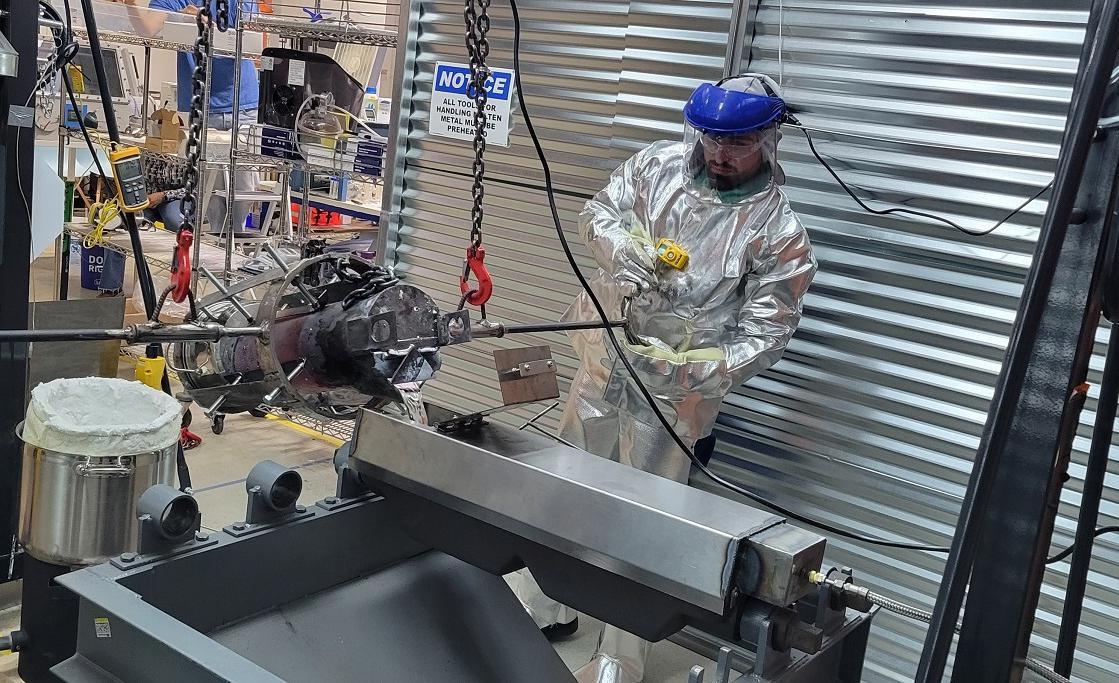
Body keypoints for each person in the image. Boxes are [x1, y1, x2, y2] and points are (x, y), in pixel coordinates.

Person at [507, 73, 817, 683]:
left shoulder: (778, 232)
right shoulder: (656, 168)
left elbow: (769, 330)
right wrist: (623, 249)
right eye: (711, 139)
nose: (720, 154)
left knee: (642, 517)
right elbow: (598, 212)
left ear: (768, 140)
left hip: (679, 395)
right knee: (567, 478)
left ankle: (621, 653)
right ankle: (544, 601)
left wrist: (708, 367)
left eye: (738, 143)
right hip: (605, 358)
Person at [114, 0, 260, 234]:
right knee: (209, 189)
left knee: (241, 186)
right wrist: (131, 4)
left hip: (241, 102)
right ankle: (216, 249)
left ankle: (233, 245)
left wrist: (204, 24)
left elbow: (250, 42)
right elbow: (148, 30)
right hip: (201, 106)